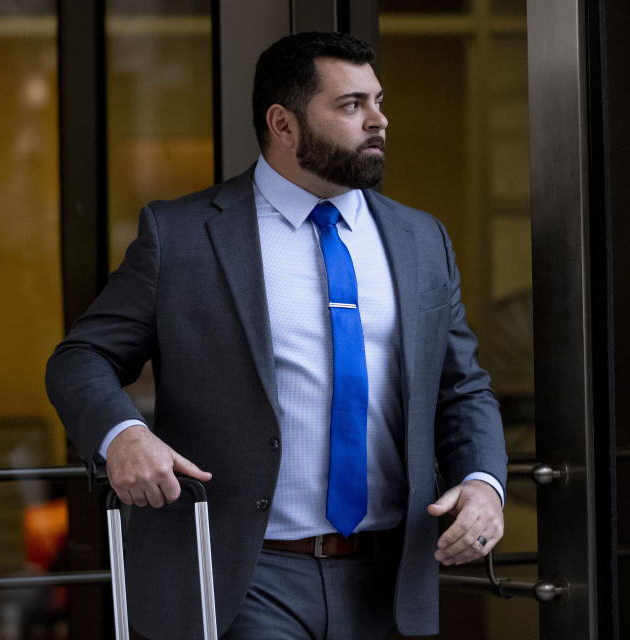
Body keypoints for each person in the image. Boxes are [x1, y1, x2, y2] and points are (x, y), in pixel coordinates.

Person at [46, 31, 507, 639]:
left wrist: (483, 483)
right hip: (247, 575)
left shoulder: (422, 240)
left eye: (378, 100)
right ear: (283, 124)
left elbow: (461, 389)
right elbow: (81, 357)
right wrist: (123, 436)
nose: (379, 120)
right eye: (351, 106)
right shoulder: (182, 236)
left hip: (390, 579)